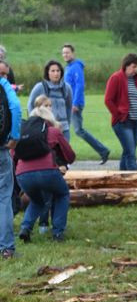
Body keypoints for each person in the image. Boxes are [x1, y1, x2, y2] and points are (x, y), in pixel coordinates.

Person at [15, 103, 75, 243]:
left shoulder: (22, 132)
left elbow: (13, 154)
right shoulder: (53, 131)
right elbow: (70, 155)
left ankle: (25, 228)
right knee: (62, 194)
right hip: (47, 172)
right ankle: (58, 233)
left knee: (37, 201)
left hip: (23, 174)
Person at [61, 43, 110, 163]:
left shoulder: (76, 67)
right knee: (64, 129)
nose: (65, 55)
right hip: (67, 103)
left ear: (73, 53)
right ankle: (62, 156)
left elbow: (79, 85)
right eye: (63, 53)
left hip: (74, 104)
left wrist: (75, 103)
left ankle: (103, 150)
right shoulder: (68, 67)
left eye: (67, 52)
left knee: (78, 130)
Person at [104, 54, 137, 171]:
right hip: (124, 122)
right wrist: (119, 115)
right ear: (126, 66)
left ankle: (121, 178)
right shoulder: (116, 77)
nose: (136, 69)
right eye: (133, 66)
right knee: (131, 153)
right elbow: (108, 100)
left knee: (127, 151)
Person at [0, 69, 22, 259]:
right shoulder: (4, 86)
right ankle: (7, 248)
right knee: (4, 199)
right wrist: (14, 136)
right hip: (1, 150)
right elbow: (15, 107)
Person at [28, 61, 73, 138]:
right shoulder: (40, 87)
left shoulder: (67, 88)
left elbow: (69, 107)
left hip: (63, 128)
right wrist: (34, 124)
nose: (56, 73)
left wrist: (67, 124)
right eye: (53, 71)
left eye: (58, 71)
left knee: (65, 149)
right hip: (46, 129)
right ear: (47, 73)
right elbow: (31, 105)